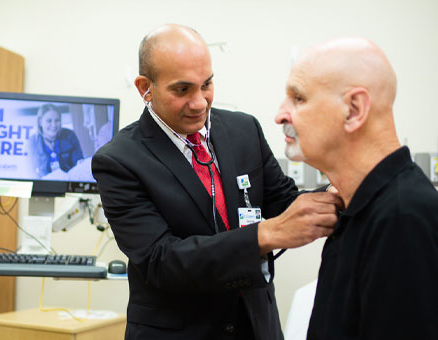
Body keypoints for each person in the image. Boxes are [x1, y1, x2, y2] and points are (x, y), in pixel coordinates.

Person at [92, 24, 341, 340]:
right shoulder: (119, 160)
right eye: (182, 90)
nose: (199, 102)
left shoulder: (243, 130)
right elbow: (160, 260)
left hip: (255, 325)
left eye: (206, 84)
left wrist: (339, 191)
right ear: (145, 87)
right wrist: (264, 235)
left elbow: (284, 201)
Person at [275, 38, 438, 339]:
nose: (280, 115)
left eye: (298, 98)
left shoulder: (403, 218)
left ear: (353, 110)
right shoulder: (354, 208)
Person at [29, 103, 84, 178]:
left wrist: (81, 164)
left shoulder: (70, 135)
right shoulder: (33, 141)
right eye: (49, 121)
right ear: (40, 122)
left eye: (57, 120)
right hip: (45, 183)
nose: (54, 125)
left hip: (69, 180)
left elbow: (78, 161)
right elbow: (30, 170)